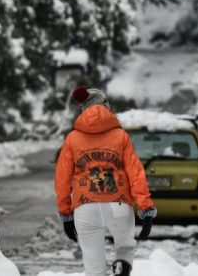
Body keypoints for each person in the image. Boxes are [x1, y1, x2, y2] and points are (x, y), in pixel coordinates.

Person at [54, 86, 156, 276]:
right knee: (125, 248)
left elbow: (62, 180)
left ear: (84, 108)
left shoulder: (73, 138)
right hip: (118, 205)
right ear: (106, 106)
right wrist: (145, 208)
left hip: (85, 207)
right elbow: (136, 174)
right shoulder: (120, 136)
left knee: (93, 267)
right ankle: (122, 264)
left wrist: (66, 214)